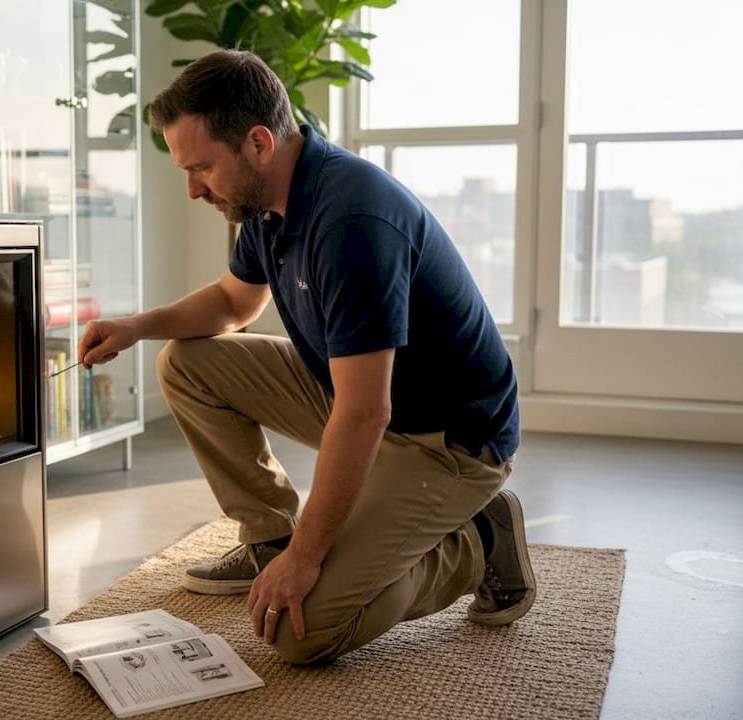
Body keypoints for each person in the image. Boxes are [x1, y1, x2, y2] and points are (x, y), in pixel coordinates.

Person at [76, 49, 534, 666]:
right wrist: (135, 327)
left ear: (258, 143)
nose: (192, 189)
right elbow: (233, 303)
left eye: (202, 167)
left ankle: (478, 540)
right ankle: (269, 539)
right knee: (185, 364)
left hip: (447, 440)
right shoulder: (267, 201)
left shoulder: (351, 222)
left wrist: (308, 557)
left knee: (302, 631)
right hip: (363, 399)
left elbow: (365, 414)